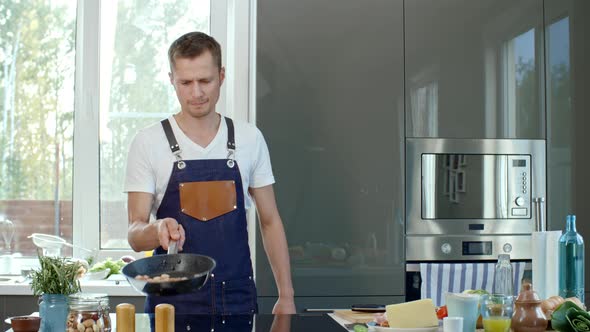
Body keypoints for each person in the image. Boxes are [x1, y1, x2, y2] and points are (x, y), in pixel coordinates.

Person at [124, 31, 295, 315]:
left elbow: (270, 221)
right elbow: (134, 233)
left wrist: (286, 295)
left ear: (222, 75)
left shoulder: (249, 138)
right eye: (185, 82)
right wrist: (156, 230)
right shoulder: (148, 142)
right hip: (171, 302)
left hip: (237, 299)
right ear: (171, 80)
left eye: (205, 80)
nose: (197, 93)